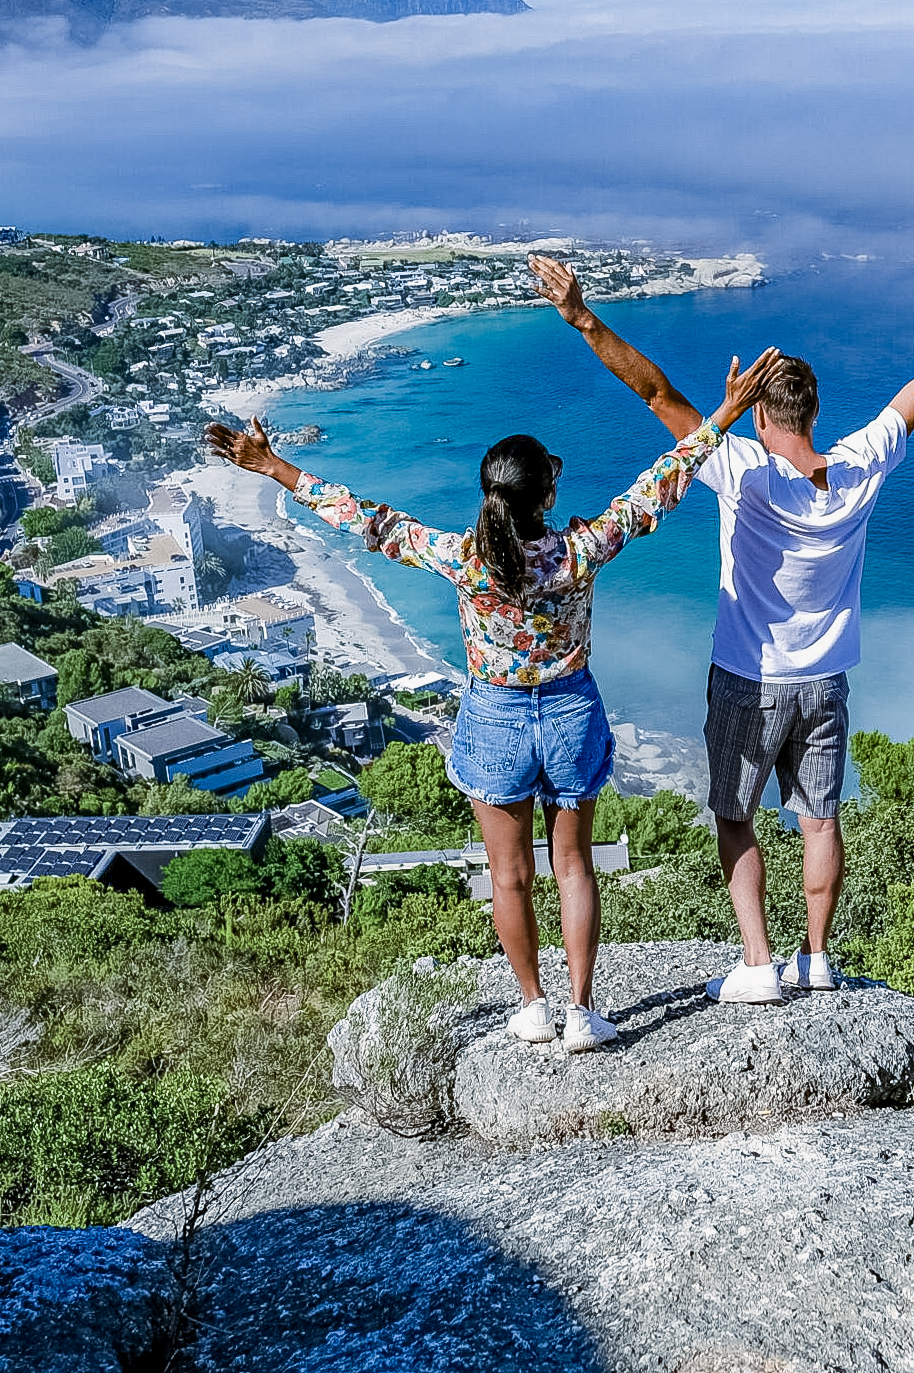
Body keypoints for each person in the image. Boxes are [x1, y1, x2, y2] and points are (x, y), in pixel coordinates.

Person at [203, 344, 782, 1049]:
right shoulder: (578, 552)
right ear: (547, 498)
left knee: (509, 874)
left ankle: (534, 1005)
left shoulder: (465, 559)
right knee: (574, 866)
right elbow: (659, 485)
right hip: (570, 712)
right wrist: (724, 414)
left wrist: (275, 467)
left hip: (495, 718)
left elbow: (369, 520)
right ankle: (582, 1011)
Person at [531, 247, 914, 1001]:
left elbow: (654, 391)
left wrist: (582, 317)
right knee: (819, 820)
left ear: (760, 413)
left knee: (734, 817)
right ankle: (816, 957)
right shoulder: (862, 467)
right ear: (813, 411)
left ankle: (758, 963)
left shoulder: (740, 467)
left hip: (749, 679)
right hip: (826, 681)